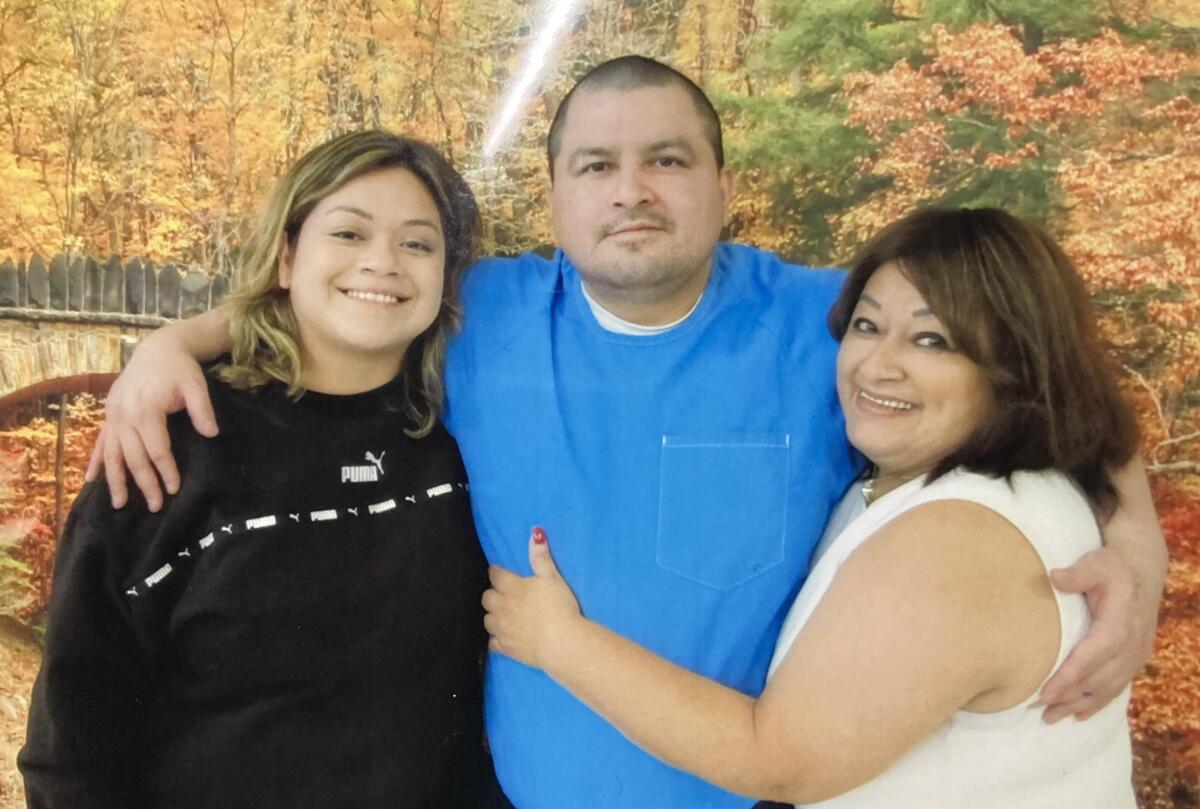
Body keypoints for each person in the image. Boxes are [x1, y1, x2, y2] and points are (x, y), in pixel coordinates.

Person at [85, 58, 1166, 808]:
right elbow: (347, 290)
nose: (631, 191)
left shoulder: (836, 323)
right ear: (553, 196)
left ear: (724, 185)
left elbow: (1038, 369)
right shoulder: (483, 314)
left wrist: (1137, 544)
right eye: (595, 165)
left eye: (668, 159)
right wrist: (177, 339)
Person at [482, 207, 1141, 808]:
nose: (878, 366)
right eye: (867, 325)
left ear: (1018, 365)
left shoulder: (956, 541)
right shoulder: (944, 473)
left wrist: (557, 640)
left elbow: (779, 758)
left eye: (932, 340)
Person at [19, 131, 491, 809]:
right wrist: (171, 345)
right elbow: (74, 736)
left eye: (417, 243)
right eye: (350, 233)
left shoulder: (466, 441)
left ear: (446, 277)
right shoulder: (172, 444)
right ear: (287, 257)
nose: (383, 262)